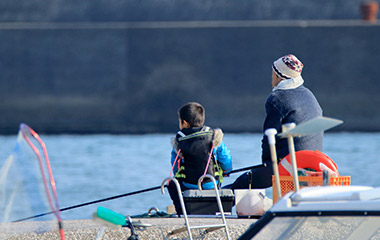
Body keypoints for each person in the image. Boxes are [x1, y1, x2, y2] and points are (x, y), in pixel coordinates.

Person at [229, 54, 323, 189]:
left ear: (278, 75)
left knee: (241, 184)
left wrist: (266, 165)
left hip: (290, 166)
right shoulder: (310, 95)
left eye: (273, 72)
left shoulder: (277, 98)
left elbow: (269, 138)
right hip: (315, 166)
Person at [167, 102, 232, 215]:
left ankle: (181, 211)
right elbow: (226, 160)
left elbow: (176, 168)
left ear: (185, 123)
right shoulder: (214, 137)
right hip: (211, 183)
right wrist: (227, 171)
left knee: (171, 184)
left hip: (188, 185)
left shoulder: (179, 141)